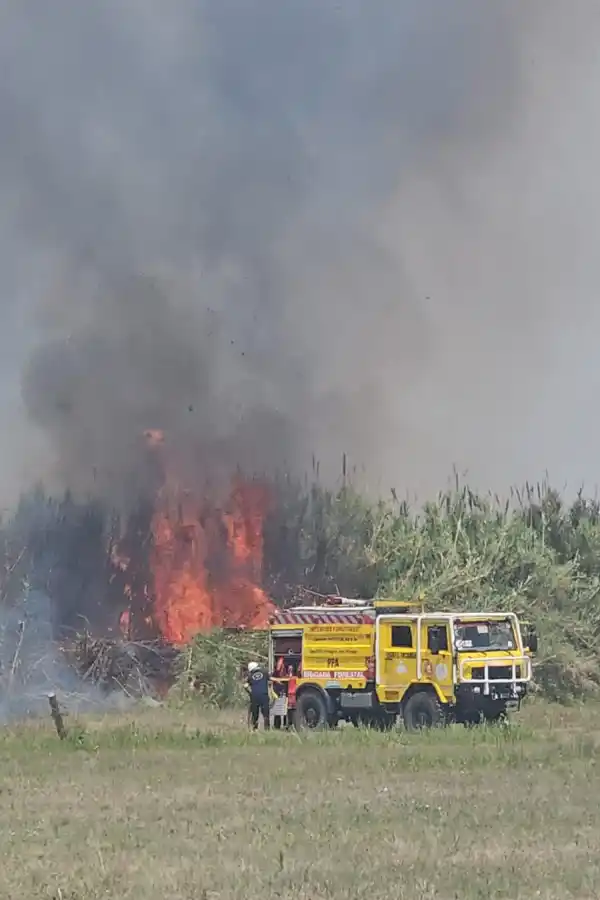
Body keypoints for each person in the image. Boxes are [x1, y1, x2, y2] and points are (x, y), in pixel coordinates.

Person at [245, 661, 271, 730]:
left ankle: (254, 728)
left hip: (254, 696)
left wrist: (250, 693)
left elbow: (246, 686)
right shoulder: (265, 672)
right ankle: (267, 729)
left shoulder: (250, 676)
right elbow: (270, 679)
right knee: (266, 714)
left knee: (255, 713)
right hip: (264, 694)